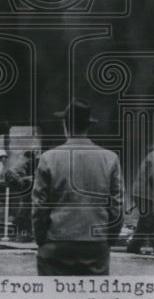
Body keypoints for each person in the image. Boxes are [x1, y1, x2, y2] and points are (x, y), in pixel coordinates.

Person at [31, 100, 123, 275]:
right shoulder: (110, 158)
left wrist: (41, 239)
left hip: (57, 241)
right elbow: (117, 205)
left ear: (65, 126)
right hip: (95, 242)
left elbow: (39, 206)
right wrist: (109, 239)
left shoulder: (48, 158)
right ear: (88, 127)